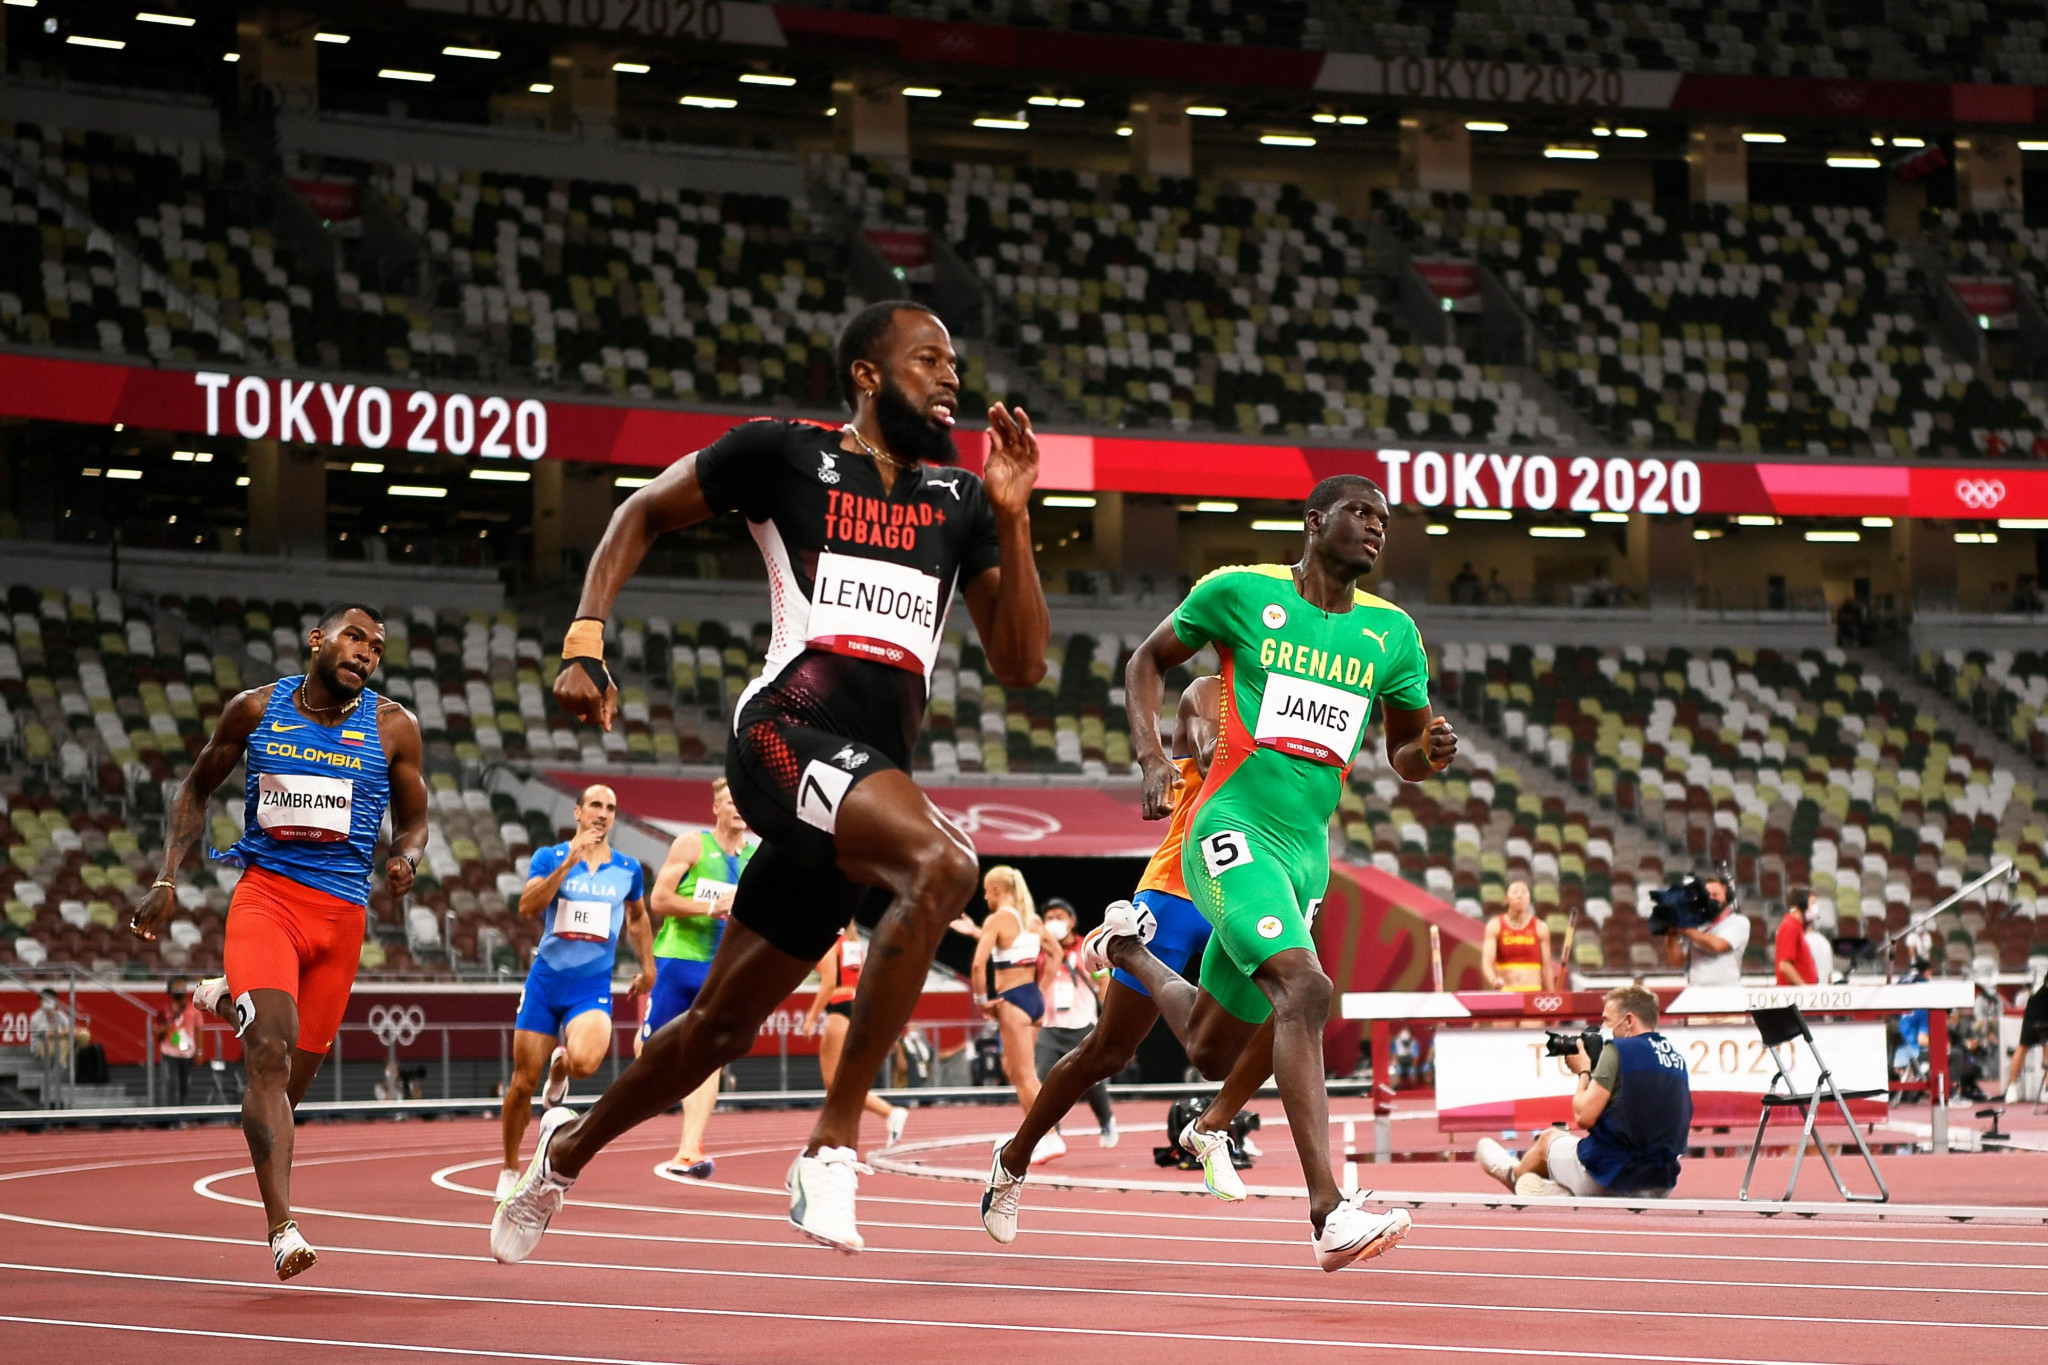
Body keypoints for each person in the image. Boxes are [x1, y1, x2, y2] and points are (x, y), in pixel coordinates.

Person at [493, 299, 1048, 1262]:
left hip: (859, 790)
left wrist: (1013, 512)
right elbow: (641, 511)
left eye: (956, 360)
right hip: (782, 741)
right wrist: (586, 637)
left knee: (715, 1028)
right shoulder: (785, 454)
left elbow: (1023, 664)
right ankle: (832, 1145)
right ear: (869, 376)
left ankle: (562, 1153)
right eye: (930, 359)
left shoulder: (960, 505)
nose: (953, 376)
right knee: (944, 865)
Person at [1090, 474, 1455, 1272]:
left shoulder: (1391, 635)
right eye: (1361, 513)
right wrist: (1153, 756)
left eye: (1385, 520)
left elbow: (1402, 751)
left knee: (1216, 1049)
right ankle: (1328, 1209)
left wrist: (1424, 754)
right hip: (1230, 826)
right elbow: (1146, 661)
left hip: (1304, 850)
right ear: (1315, 519)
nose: (1376, 528)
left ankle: (1128, 953)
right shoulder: (1239, 593)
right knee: (1306, 987)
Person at [129, 602, 429, 1281]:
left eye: (377, 647)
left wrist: (409, 857)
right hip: (268, 900)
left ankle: (233, 992)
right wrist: (166, 877)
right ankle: (281, 1226)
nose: (365, 653)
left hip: (342, 921)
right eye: (354, 638)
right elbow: (194, 785)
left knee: (287, 1092)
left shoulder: (394, 727)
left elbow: (415, 819)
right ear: (317, 639)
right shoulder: (255, 709)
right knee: (267, 1052)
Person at [982, 674, 1281, 1245]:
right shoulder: (1210, 691)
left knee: (1293, 1009)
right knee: (1109, 1051)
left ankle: (1214, 1125)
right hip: (1178, 887)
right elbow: (1201, 743)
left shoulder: (1306, 701)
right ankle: (1012, 1162)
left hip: (1247, 894)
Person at [496, 784, 655, 1199]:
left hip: (591, 987)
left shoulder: (627, 869)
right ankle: (511, 1169)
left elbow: (637, 918)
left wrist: (649, 968)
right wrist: (568, 861)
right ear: (578, 812)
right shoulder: (549, 856)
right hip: (547, 982)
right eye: (596, 806)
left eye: (611, 808)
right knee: (521, 1084)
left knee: (585, 1064)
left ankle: (561, 1069)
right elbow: (528, 907)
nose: (603, 814)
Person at [1475, 985, 1692, 1198]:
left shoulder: (1619, 1049)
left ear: (1628, 1020)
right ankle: (1561, 1190)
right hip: (1660, 1183)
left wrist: (1583, 1072)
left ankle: (1512, 1174)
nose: (1603, 1027)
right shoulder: (1677, 1060)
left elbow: (1583, 1117)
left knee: (1549, 1138)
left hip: (1611, 1177)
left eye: (1607, 1019)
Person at [641, 778, 756, 1180]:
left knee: (710, 1056)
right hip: (678, 961)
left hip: (723, 968)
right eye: (730, 801)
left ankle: (689, 1150)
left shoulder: (759, 854)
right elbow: (659, 900)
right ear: (716, 809)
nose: (738, 808)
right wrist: (711, 907)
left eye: (743, 801)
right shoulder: (692, 845)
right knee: (651, 1058)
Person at [798, 919, 908, 1147]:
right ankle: (838, 1133)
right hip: (854, 1006)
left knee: (833, 1081)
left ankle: (888, 1113)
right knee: (844, 1079)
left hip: (839, 1009)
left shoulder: (831, 944)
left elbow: (828, 983)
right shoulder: (852, 945)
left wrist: (810, 1018)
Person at [967, 865, 1053, 1153]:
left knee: (1025, 1075)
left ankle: (1049, 1135)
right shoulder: (1032, 920)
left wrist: (981, 1001)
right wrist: (1041, 988)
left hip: (1013, 1001)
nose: (984, 898)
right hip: (1032, 999)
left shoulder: (997, 919)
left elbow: (979, 964)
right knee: (1015, 1071)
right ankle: (1038, 1133)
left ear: (996, 889)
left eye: (985, 891)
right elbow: (1056, 953)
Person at [1031, 898, 1116, 1150]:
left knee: (1090, 1081)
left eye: (1059, 916)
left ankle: (1106, 1119)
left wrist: (1109, 1019)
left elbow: (1104, 981)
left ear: (1071, 920)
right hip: (1049, 1026)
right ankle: (1050, 1134)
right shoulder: (1040, 953)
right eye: (1049, 917)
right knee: (1043, 1082)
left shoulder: (1085, 949)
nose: (1054, 922)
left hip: (1082, 1024)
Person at [1662, 875, 1748, 985]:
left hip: (1727, 992)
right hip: (1697, 993)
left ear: (1728, 898)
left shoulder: (1738, 922)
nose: (1710, 899)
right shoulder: (1696, 924)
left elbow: (1718, 945)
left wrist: (1685, 928)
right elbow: (1677, 960)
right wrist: (1670, 934)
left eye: (1715, 895)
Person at [1482, 880, 1551, 992]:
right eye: (1515, 892)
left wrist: (1552, 997)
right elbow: (1487, 962)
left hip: (1533, 992)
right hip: (1507, 993)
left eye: (1524, 892)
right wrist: (1493, 980)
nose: (1519, 896)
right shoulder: (1495, 925)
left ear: (1529, 899)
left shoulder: (1540, 927)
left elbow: (1547, 968)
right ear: (1506, 899)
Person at [156, 976, 204, 1105]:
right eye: (176, 987)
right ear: (170, 990)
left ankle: (183, 1112)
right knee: (170, 1083)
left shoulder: (193, 1009)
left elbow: (198, 1030)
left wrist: (200, 1051)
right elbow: (156, 1030)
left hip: (188, 1052)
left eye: (182, 986)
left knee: (185, 1084)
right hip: (169, 1052)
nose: (179, 989)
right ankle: (169, 1115)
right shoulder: (163, 1010)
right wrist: (165, 1028)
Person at [1774, 887, 1818, 987]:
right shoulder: (1790, 926)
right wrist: (1804, 989)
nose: (1815, 908)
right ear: (1803, 904)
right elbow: (1785, 966)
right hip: (1795, 998)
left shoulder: (1796, 927)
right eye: (1812, 903)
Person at [27, 989, 71, 1070]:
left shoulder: (59, 1014)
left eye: (51, 1000)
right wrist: (62, 1031)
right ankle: (60, 1065)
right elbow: (46, 1034)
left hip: (57, 1041)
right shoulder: (35, 1017)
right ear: (41, 1001)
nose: (48, 1002)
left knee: (82, 1036)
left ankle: (70, 1064)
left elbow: (69, 1029)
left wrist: (61, 1031)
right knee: (65, 1041)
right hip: (41, 1046)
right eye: (45, 1000)